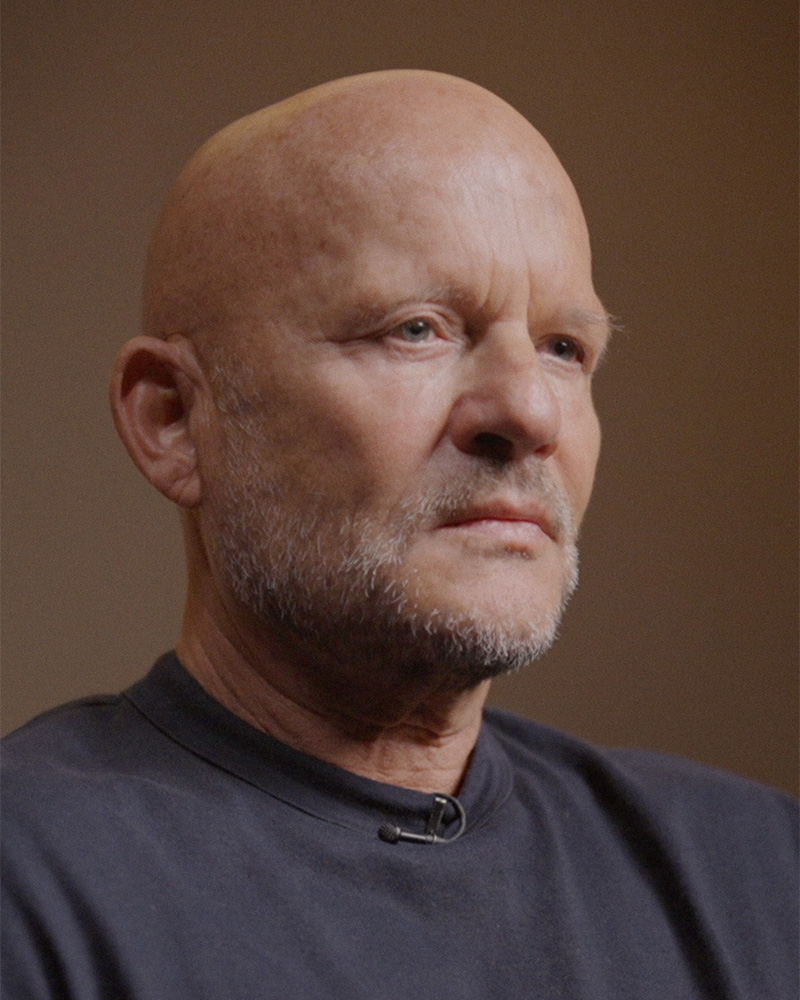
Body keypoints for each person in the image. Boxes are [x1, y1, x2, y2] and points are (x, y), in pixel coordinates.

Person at [2, 70, 796, 999]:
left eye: (564, 349)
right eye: (416, 329)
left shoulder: (764, 880)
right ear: (175, 419)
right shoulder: (29, 884)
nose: (530, 411)